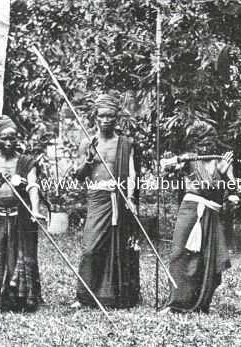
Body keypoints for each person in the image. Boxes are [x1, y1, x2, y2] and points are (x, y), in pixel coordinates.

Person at [70, 93, 140, 309]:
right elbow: (78, 174)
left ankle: (116, 296)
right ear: (96, 117)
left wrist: (130, 198)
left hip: (119, 197)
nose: (106, 120)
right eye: (102, 116)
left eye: (111, 116)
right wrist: (88, 160)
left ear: (116, 118)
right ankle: (84, 296)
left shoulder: (126, 143)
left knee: (117, 247)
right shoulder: (87, 142)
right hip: (97, 198)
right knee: (91, 247)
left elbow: (131, 173)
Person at [160, 121, 235, 314]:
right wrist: (171, 163)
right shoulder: (190, 159)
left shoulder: (221, 161)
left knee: (207, 258)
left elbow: (234, 190)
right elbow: (164, 171)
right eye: (201, 142)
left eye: (210, 141)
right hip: (191, 210)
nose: (206, 146)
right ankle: (176, 302)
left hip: (211, 213)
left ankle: (201, 303)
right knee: (180, 255)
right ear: (195, 143)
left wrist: (226, 175)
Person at [0, 116, 47, 312]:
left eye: (13, 138)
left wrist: (35, 209)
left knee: (17, 263)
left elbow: (33, 186)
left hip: (18, 217)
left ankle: (13, 300)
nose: (8, 143)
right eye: (3, 138)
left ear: (18, 139)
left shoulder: (26, 162)